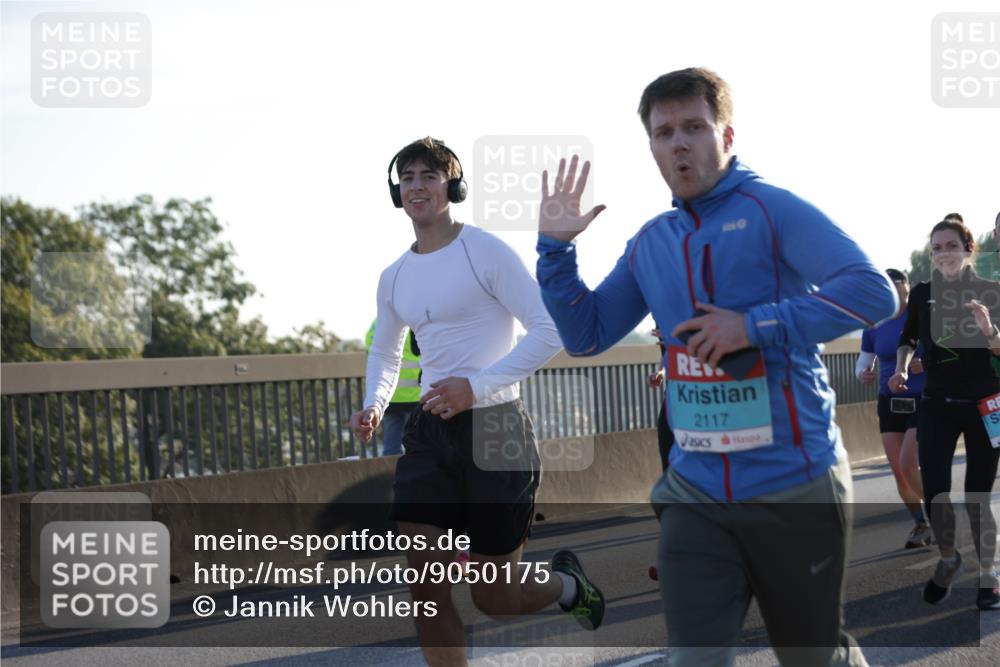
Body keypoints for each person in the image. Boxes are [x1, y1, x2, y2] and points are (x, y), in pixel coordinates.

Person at [535, 67, 895, 667]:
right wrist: (555, 251)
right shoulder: (652, 241)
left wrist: (752, 325)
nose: (679, 143)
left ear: (726, 136)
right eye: (664, 131)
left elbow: (871, 292)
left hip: (794, 482)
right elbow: (587, 335)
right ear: (650, 145)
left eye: (694, 127)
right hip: (695, 490)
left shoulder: (772, 209)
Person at [350, 137, 604, 666]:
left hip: (496, 431)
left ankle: (565, 587)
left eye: (429, 175)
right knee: (424, 583)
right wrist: (375, 402)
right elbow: (386, 352)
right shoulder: (394, 275)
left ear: (452, 186)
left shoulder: (483, 250)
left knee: (496, 598)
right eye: (409, 178)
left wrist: (477, 386)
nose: (417, 186)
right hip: (429, 435)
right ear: (397, 192)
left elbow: (549, 329)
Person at [889, 217, 1000, 610]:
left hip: (984, 402)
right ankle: (950, 558)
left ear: (968, 249)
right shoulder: (922, 293)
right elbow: (908, 338)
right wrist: (901, 367)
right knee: (936, 490)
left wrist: (989, 330)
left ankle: (989, 578)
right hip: (936, 403)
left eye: (950, 245)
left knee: (977, 496)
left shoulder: (991, 291)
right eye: (936, 248)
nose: (942, 253)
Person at [855, 269, 930, 549]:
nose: (897, 296)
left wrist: (928, 363)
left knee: (910, 463)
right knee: (898, 469)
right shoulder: (874, 323)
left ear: (908, 289)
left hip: (923, 399)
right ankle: (921, 523)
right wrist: (864, 373)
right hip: (889, 402)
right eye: (891, 290)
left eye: (902, 290)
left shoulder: (924, 316)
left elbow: (951, 354)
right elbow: (863, 363)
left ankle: (940, 515)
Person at [365, 319, 421, 456]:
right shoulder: (411, 322)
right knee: (417, 447)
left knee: (391, 448)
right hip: (413, 395)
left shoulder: (377, 324)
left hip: (388, 397)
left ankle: (391, 476)